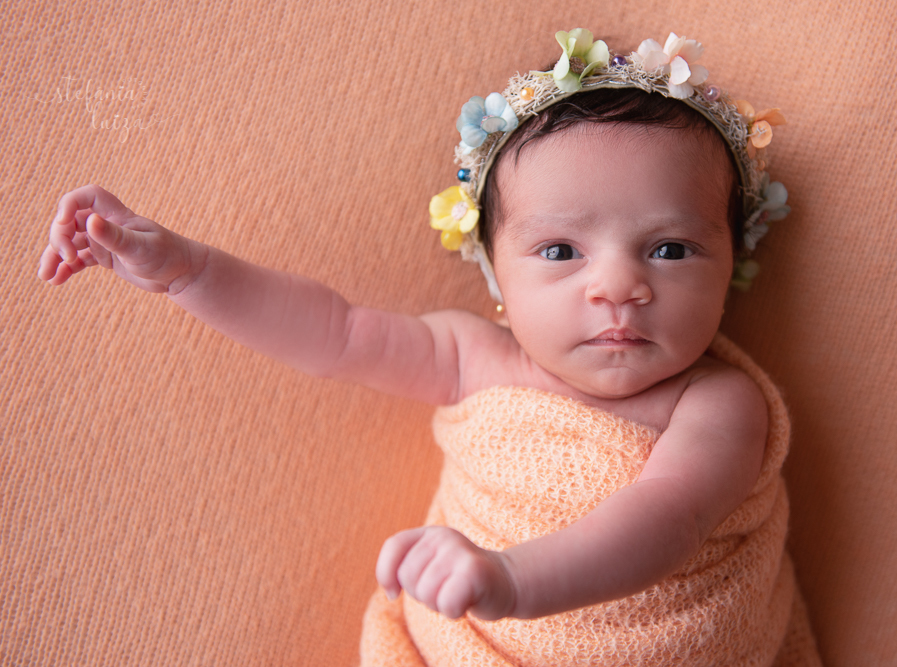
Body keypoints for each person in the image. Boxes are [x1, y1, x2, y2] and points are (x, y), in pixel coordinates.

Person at [39, 29, 818, 666]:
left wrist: (512, 577)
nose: (618, 286)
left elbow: (669, 516)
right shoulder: (472, 356)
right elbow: (333, 333)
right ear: (496, 275)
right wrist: (188, 271)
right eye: (560, 251)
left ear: (732, 264)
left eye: (671, 249)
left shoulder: (719, 402)